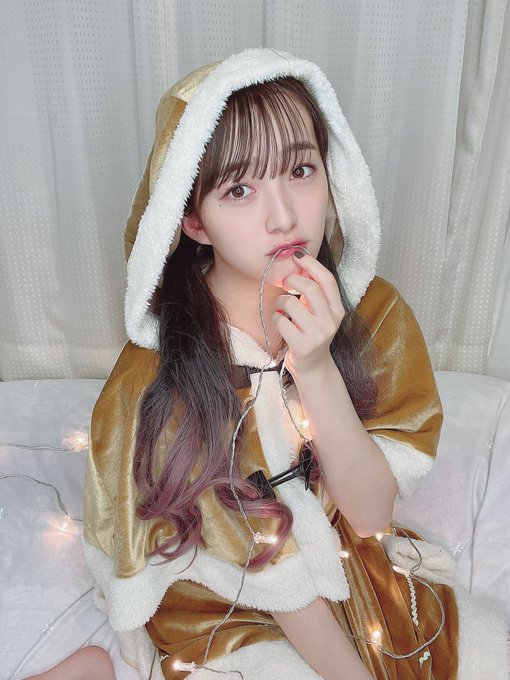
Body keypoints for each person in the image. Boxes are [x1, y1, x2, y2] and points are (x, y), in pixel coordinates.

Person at [81, 48, 508, 680]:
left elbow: (370, 515)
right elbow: (264, 567)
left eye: (301, 170)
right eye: (240, 189)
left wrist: (315, 367)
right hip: (220, 597)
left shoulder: (374, 313)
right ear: (192, 219)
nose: (284, 216)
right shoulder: (158, 376)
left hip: (346, 560)